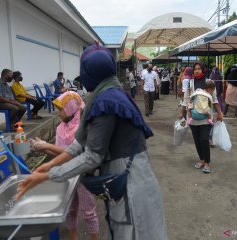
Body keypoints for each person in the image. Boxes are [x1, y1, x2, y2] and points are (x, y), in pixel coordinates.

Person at [16, 45, 168, 240]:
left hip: (131, 183)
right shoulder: (105, 94)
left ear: (91, 72)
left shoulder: (107, 101)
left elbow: (92, 156)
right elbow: (79, 144)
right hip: (127, 176)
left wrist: (48, 176)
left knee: (134, 231)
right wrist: (49, 164)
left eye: (83, 71)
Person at [29, 91, 99, 240]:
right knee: (70, 210)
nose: (58, 113)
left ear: (71, 108)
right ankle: (73, 236)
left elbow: (76, 153)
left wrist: (46, 145)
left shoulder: (84, 127)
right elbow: (60, 156)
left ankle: (95, 237)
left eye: (61, 109)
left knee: (88, 213)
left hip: (83, 175)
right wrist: (42, 147)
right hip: (67, 174)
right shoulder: (60, 128)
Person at [181, 62, 223, 173]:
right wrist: (182, 114)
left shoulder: (210, 82)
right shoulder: (190, 83)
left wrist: (219, 113)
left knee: (204, 139)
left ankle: (207, 163)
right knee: (197, 140)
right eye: (195, 69)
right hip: (193, 116)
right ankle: (202, 159)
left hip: (206, 117)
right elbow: (186, 99)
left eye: (199, 69)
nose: (196, 71)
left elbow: (214, 99)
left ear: (203, 70)